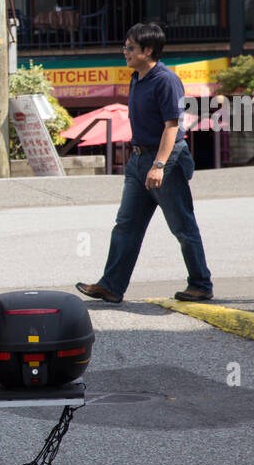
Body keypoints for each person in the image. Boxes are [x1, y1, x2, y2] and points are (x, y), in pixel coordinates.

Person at [76, 22, 214, 305]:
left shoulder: (166, 80)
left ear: (148, 50)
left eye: (130, 47)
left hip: (166, 160)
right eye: (124, 46)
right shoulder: (137, 77)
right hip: (139, 160)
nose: (124, 52)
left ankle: (201, 284)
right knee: (126, 225)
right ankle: (111, 286)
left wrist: (159, 165)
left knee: (182, 226)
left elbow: (172, 126)